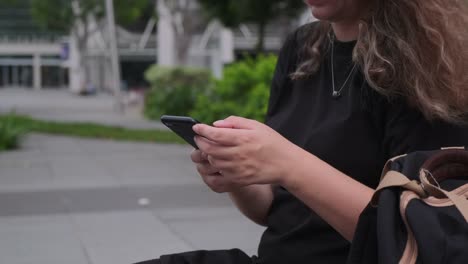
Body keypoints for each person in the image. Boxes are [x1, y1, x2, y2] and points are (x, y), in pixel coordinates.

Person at [136, 0, 468, 263]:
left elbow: (419, 238)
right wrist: (239, 178)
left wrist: (287, 162)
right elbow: (273, 212)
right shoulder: (303, 48)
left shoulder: (428, 67)